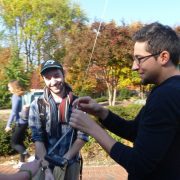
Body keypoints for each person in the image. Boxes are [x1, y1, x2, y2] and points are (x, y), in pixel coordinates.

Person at [69, 22, 180, 180]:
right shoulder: (166, 90)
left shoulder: (167, 95)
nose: (134, 66)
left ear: (163, 57)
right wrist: (101, 112)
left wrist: (93, 129)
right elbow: (135, 131)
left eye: (139, 59)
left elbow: (139, 164)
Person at [28, 60, 88, 180]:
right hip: (43, 163)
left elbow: (82, 136)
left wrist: (65, 159)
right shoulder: (37, 105)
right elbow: (38, 139)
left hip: (70, 163)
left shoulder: (78, 103)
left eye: (56, 75)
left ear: (63, 74)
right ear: (44, 80)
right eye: (48, 78)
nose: (53, 82)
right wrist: (46, 170)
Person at [5, 80, 30, 168]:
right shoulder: (21, 95)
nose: (8, 89)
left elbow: (13, 112)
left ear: (14, 87)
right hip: (24, 122)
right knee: (19, 142)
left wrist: (8, 125)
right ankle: (22, 162)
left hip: (20, 123)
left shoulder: (15, 96)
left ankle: (29, 156)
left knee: (14, 143)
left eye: (9, 87)